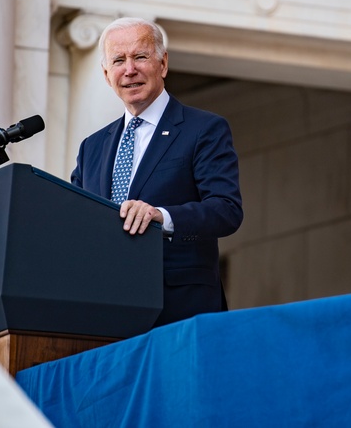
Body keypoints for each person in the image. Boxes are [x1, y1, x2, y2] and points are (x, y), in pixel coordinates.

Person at [70, 17, 243, 327]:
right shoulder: (91, 148)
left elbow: (226, 211)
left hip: (178, 312)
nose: (129, 69)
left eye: (140, 57)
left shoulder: (204, 129)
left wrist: (161, 216)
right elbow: (76, 223)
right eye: (119, 60)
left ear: (163, 64)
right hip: (103, 314)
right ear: (106, 74)